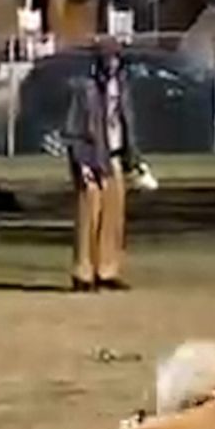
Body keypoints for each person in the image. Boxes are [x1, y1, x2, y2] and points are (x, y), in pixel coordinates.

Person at [62, 37, 142, 293]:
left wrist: (134, 158)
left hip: (114, 156)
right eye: (108, 58)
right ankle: (83, 273)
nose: (112, 63)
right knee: (90, 213)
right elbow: (73, 130)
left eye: (116, 58)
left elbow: (126, 123)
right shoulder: (85, 89)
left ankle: (107, 270)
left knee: (113, 213)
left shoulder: (122, 87)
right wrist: (82, 165)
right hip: (89, 157)